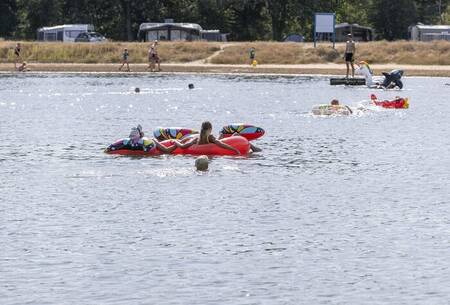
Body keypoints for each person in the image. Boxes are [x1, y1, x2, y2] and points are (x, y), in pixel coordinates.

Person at [175, 121, 241, 155]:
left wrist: (175, 142)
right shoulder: (210, 137)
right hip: (213, 142)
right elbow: (221, 144)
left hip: (211, 142)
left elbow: (183, 146)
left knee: (219, 138)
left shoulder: (195, 140)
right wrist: (235, 149)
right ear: (210, 129)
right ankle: (221, 134)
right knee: (233, 135)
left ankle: (221, 135)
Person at [105, 125, 179, 154]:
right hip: (147, 152)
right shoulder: (152, 140)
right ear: (142, 135)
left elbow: (107, 150)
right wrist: (176, 143)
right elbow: (167, 150)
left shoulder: (126, 142)